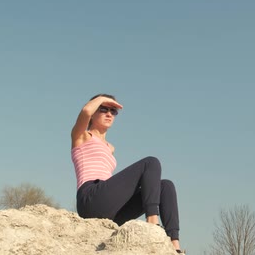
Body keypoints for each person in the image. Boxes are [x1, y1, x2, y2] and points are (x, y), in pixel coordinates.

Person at [71, 93, 185, 253]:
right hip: (90, 199)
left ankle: (175, 247)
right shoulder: (82, 136)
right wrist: (101, 99)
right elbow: (85, 111)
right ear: (94, 111)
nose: (109, 113)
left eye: (113, 111)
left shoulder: (110, 148)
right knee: (151, 163)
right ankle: (153, 223)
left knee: (165, 186)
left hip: (111, 212)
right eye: (103, 109)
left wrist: (105, 104)